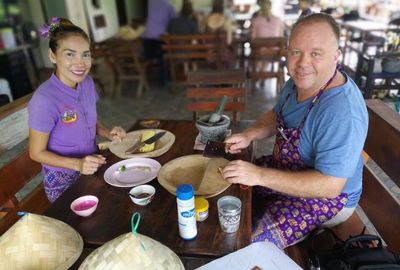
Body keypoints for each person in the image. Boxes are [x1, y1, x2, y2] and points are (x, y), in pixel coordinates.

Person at [221, 13, 368, 249]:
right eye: (295, 52)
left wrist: (258, 175)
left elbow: (330, 186)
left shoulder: (341, 112)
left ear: (336, 57)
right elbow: (276, 115)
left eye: (315, 53)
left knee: (243, 243)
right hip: (290, 170)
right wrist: (249, 135)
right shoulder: (298, 82)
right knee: (228, 183)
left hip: (328, 198)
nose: (302, 63)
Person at [29, 18, 126, 203]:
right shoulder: (44, 99)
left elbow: (88, 119)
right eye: (70, 54)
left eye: (85, 54)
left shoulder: (87, 83)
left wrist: (108, 133)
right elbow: (36, 152)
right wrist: (77, 164)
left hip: (92, 163)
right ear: (52, 56)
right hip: (63, 179)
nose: (80, 63)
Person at [142, 0, 177, 86]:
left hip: (147, 35)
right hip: (160, 36)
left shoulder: (151, 1)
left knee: (148, 58)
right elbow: (174, 20)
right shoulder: (170, 6)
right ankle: (163, 81)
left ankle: (147, 79)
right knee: (162, 59)